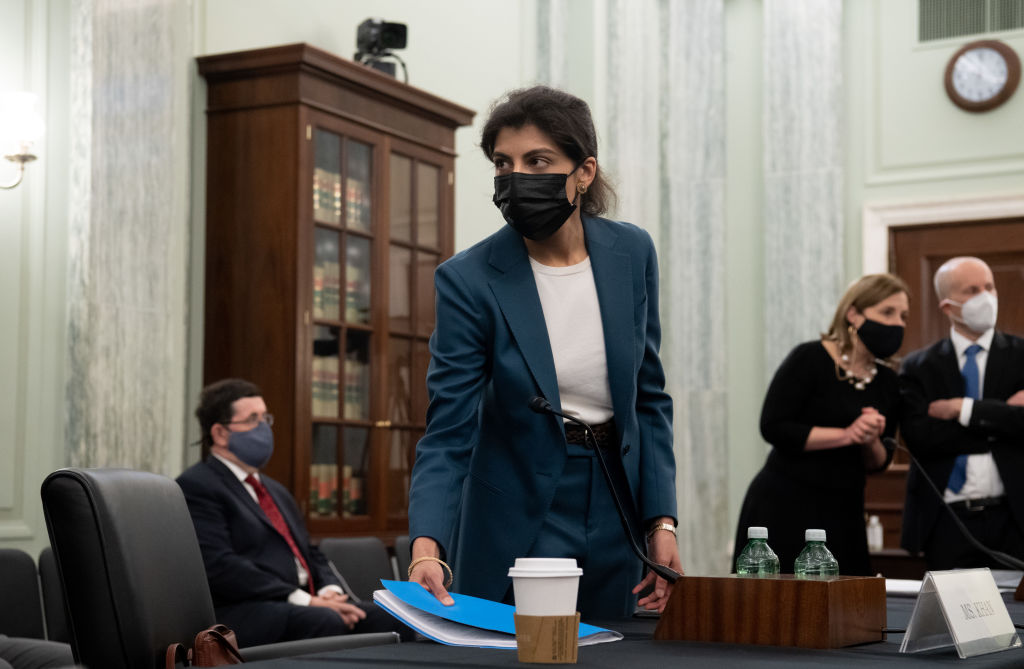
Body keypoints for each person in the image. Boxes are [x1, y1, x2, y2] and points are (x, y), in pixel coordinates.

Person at [406, 85, 681, 620]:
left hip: (615, 502)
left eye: (538, 161)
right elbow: (449, 429)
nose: (516, 178)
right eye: (503, 164)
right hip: (517, 507)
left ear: (584, 172)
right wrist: (426, 545)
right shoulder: (468, 279)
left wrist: (661, 520)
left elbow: (649, 399)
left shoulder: (631, 252)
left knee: (615, 652)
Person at [177, 378, 410, 647]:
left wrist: (330, 591)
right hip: (249, 608)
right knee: (325, 621)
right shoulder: (198, 486)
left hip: (305, 601)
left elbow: (310, 553)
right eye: (253, 419)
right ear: (220, 433)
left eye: (265, 417)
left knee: (391, 616)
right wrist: (305, 600)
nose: (263, 428)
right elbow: (220, 567)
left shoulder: (275, 491)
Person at [733, 274, 909, 575]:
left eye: (903, 316)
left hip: (844, 510)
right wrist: (847, 434)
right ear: (853, 314)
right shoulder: (809, 357)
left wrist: (869, 439)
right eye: (887, 312)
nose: (897, 324)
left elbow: (880, 462)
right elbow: (773, 426)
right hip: (786, 502)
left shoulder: (889, 382)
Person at [900, 256, 1024, 570]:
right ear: (948, 306)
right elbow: (921, 438)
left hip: (1014, 517)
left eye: (989, 287)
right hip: (947, 520)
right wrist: (1002, 418)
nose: (986, 297)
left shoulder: (1020, 356)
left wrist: (964, 409)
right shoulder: (919, 366)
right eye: (972, 290)